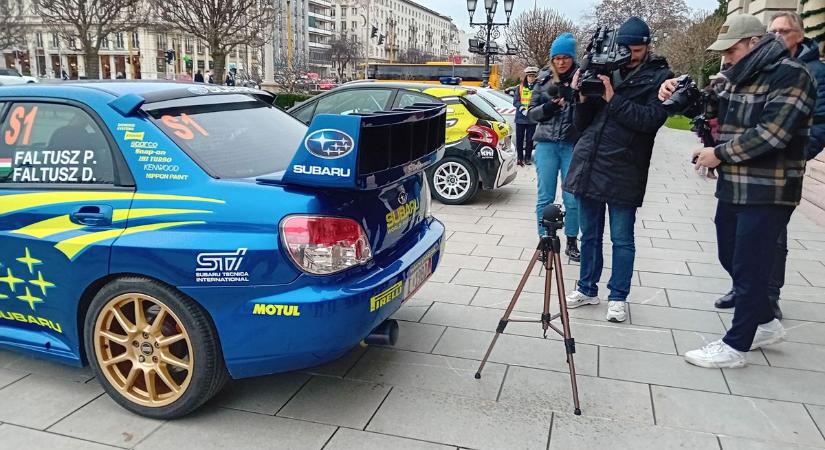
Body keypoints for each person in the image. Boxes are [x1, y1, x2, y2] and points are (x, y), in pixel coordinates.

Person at [660, 14, 815, 368]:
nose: (726, 58)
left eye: (732, 50)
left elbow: (773, 134)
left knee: (750, 263)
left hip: (770, 187)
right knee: (729, 255)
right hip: (734, 184)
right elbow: (706, 107)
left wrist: (719, 154)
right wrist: (674, 90)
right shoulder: (736, 76)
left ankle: (736, 346)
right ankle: (764, 322)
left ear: (754, 43)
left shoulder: (793, 75)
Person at [714, 11, 825, 320]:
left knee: (763, 251)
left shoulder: (804, 72)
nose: (777, 37)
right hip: (740, 175)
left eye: (783, 31)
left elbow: (798, 128)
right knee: (736, 252)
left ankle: (760, 308)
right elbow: (729, 114)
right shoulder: (749, 70)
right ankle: (754, 301)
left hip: (774, 179)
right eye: (772, 30)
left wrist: (796, 154)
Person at [563, 17, 672, 323]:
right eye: (627, 49)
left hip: (625, 167)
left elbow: (650, 121)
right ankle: (586, 288)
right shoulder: (602, 68)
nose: (630, 55)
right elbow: (581, 125)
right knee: (590, 236)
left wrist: (613, 98)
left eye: (637, 50)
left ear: (647, 46)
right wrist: (581, 96)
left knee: (622, 239)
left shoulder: (660, 77)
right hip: (590, 164)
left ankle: (618, 296)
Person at [527, 32, 581, 261]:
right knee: (545, 197)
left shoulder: (582, 77)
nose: (560, 62)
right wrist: (549, 107)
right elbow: (531, 114)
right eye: (556, 57)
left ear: (572, 57)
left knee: (572, 198)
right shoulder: (542, 80)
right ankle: (544, 241)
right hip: (547, 144)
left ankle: (571, 241)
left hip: (571, 144)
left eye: (565, 57)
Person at [513, 66, 539, 166]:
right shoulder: (519, 87)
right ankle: (520, 158)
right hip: (520, 117)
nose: (531, 78)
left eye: (533, 76)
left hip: (532, 117)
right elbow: (515, 101)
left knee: (530, 139)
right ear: (526, 77)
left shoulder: (538, 87)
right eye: (529, 76)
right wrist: (522, 108)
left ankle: (527, 158)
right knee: (519, 139)